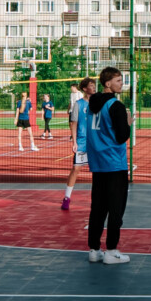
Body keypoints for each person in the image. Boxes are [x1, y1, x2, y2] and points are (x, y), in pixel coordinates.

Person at [86, 67, 132, 264]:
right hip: (114, 162)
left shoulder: (91, 104)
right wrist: (128, 123)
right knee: (115, 210)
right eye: (119, 80)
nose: (122, 83)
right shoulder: (116, 106)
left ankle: (94, 250)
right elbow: (122, 136)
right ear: (108, 84)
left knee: (97, 208)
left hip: (98, 163)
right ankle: (112, 251)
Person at [60, 82, 90, 211]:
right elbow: (73, 123)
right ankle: (67, 197)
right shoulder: (79, 104)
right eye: (91, 86)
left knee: (100, 171)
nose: (94, 88)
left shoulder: (98, 103)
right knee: (76, 169)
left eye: (95, 86)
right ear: (84, 88)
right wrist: (75, 142)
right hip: (82, 141)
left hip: (96, 142)